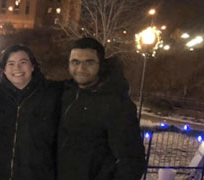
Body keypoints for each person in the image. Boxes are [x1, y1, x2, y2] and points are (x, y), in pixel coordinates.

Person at [57, 37, 146, 180]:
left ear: (101, 64)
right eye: (75, 62)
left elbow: (131, 160)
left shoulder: (116, 103)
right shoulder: (67, 93)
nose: (81, 68)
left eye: (89, 62)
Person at [0, 44, 61, 180]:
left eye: (23, 62)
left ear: (32, 66)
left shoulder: (51, 95)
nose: (17, 68)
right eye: (11, 64)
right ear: (4, 70)